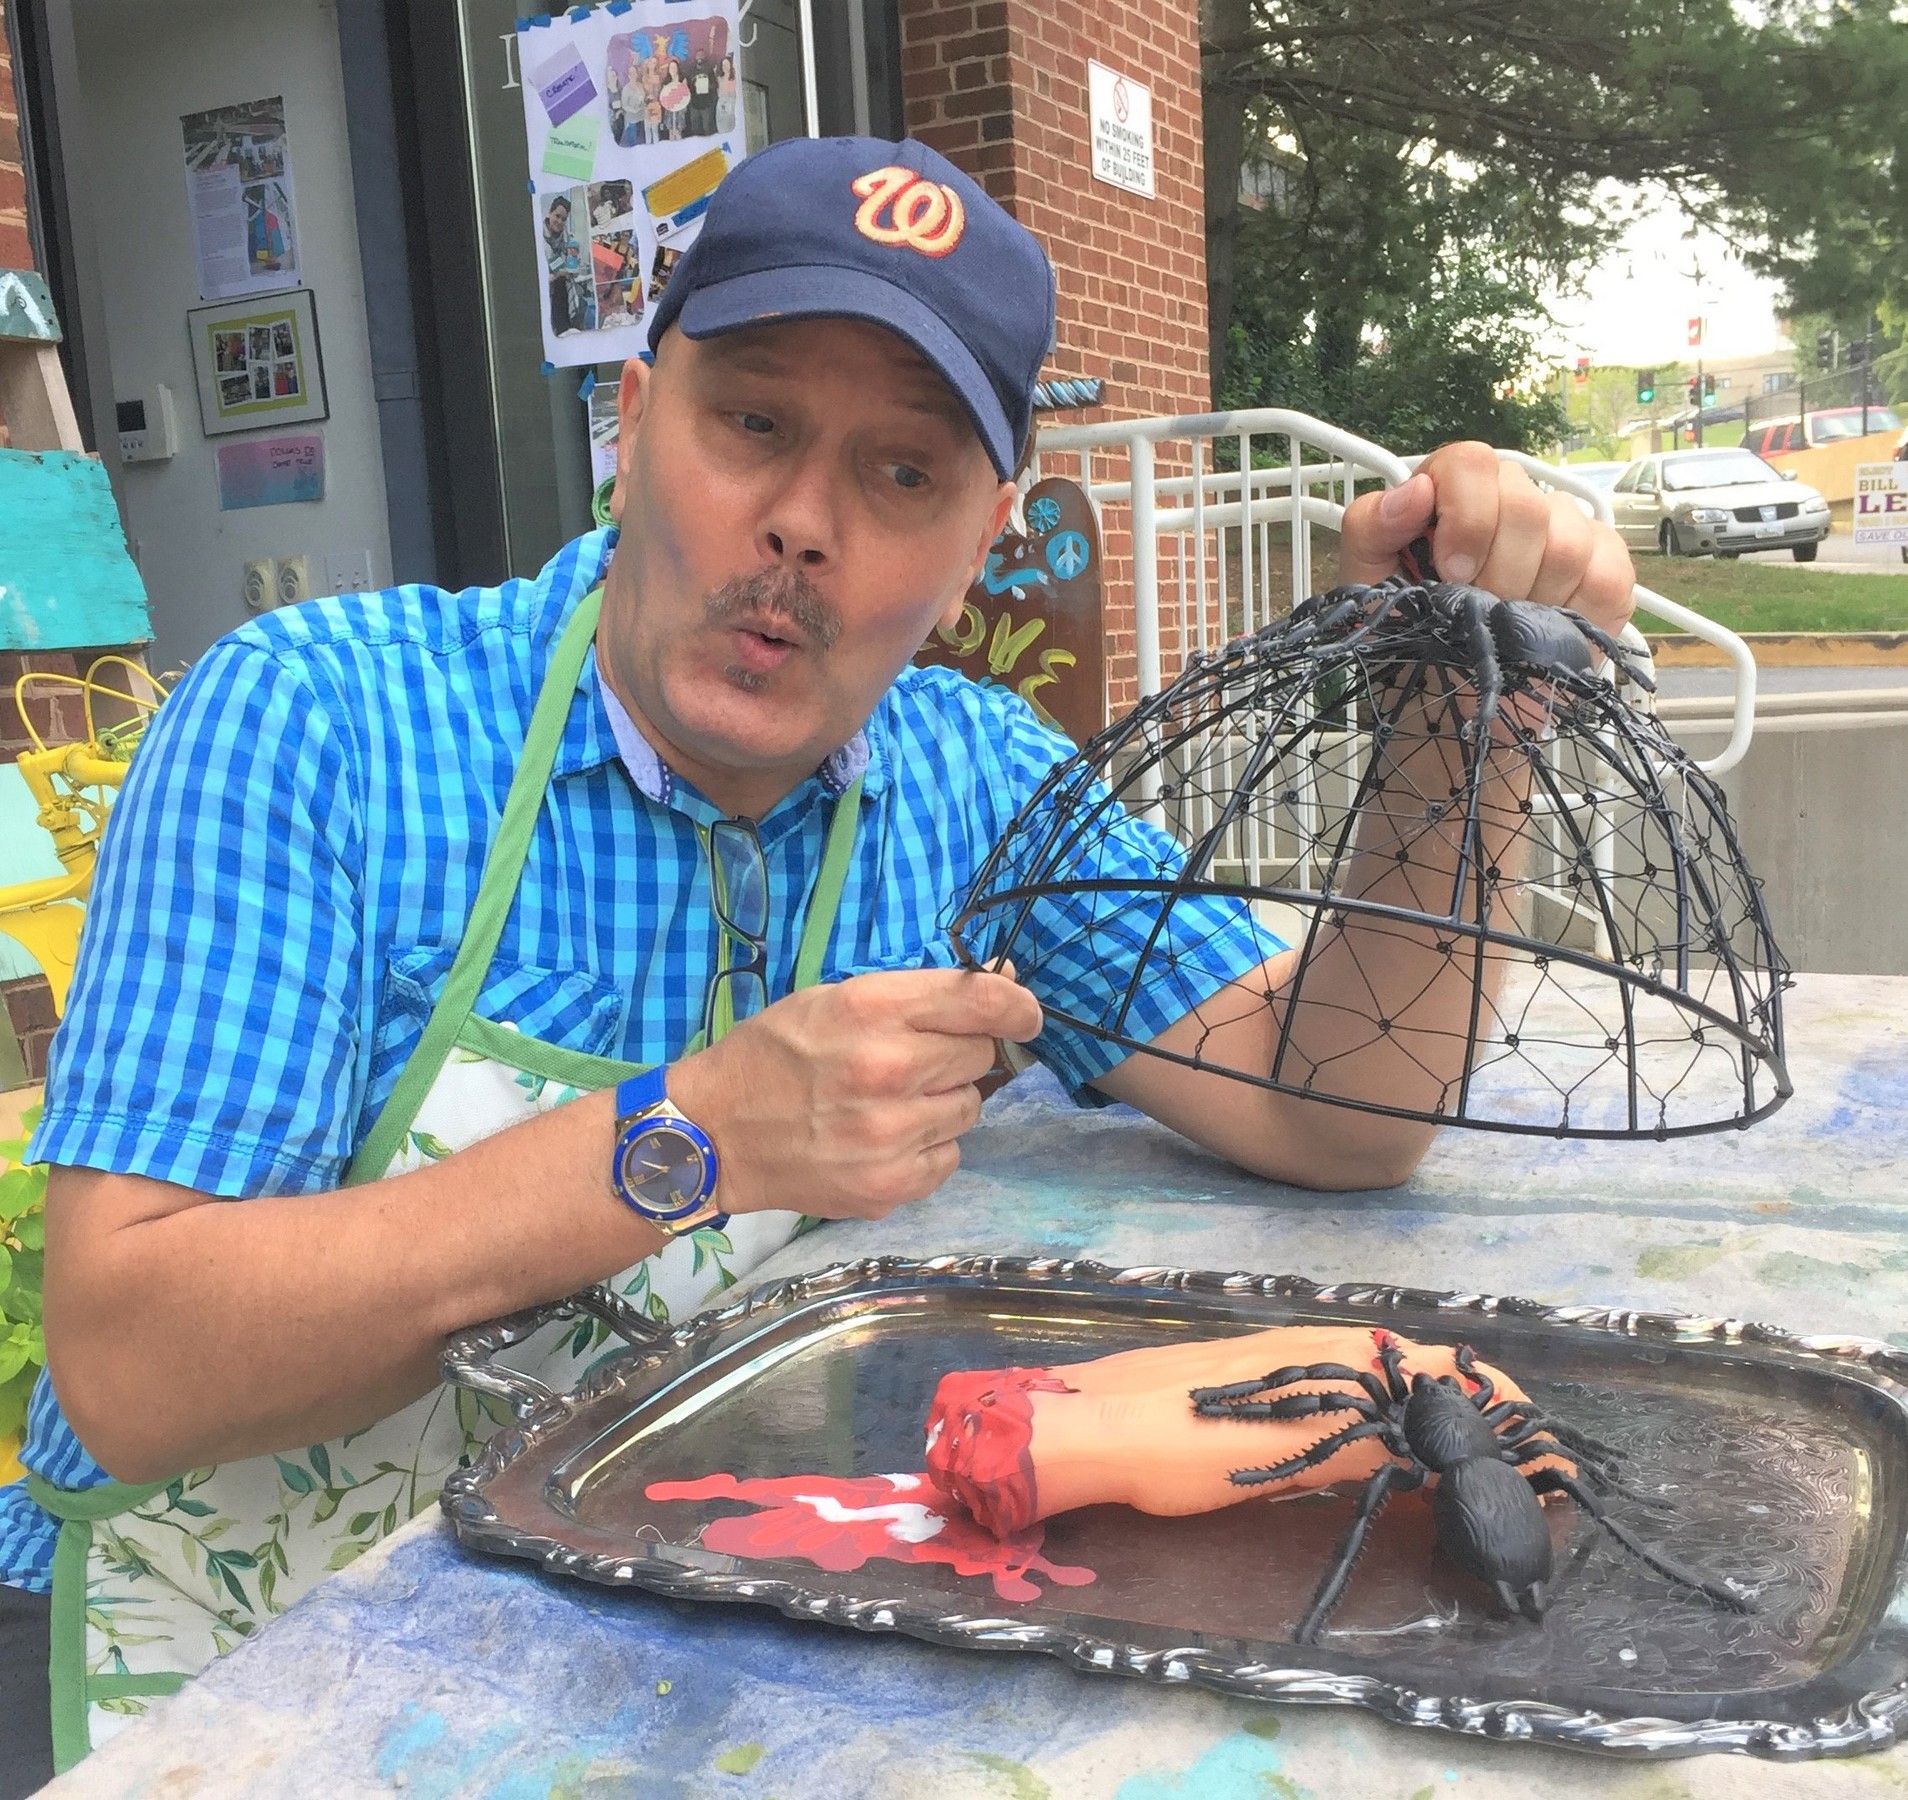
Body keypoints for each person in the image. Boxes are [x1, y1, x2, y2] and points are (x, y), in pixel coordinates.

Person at [0, 135, 1631, 1776]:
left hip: (678, 1660)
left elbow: (1328, 1105)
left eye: (901, 474)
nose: (799, 525)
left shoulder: (978, 783)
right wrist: (689, 1140)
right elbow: (138, 1365)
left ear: (986, 532)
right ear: (633, 428)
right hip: (261, 1681)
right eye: (752, 424)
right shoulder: (320, 717)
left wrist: (1457, 719)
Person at [716, 53, 738, 134]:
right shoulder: (720, 78)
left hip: (730, 101)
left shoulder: (734, 77)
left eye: (726, 64)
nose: (724, 66)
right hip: (721, 101)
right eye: (723, 65)